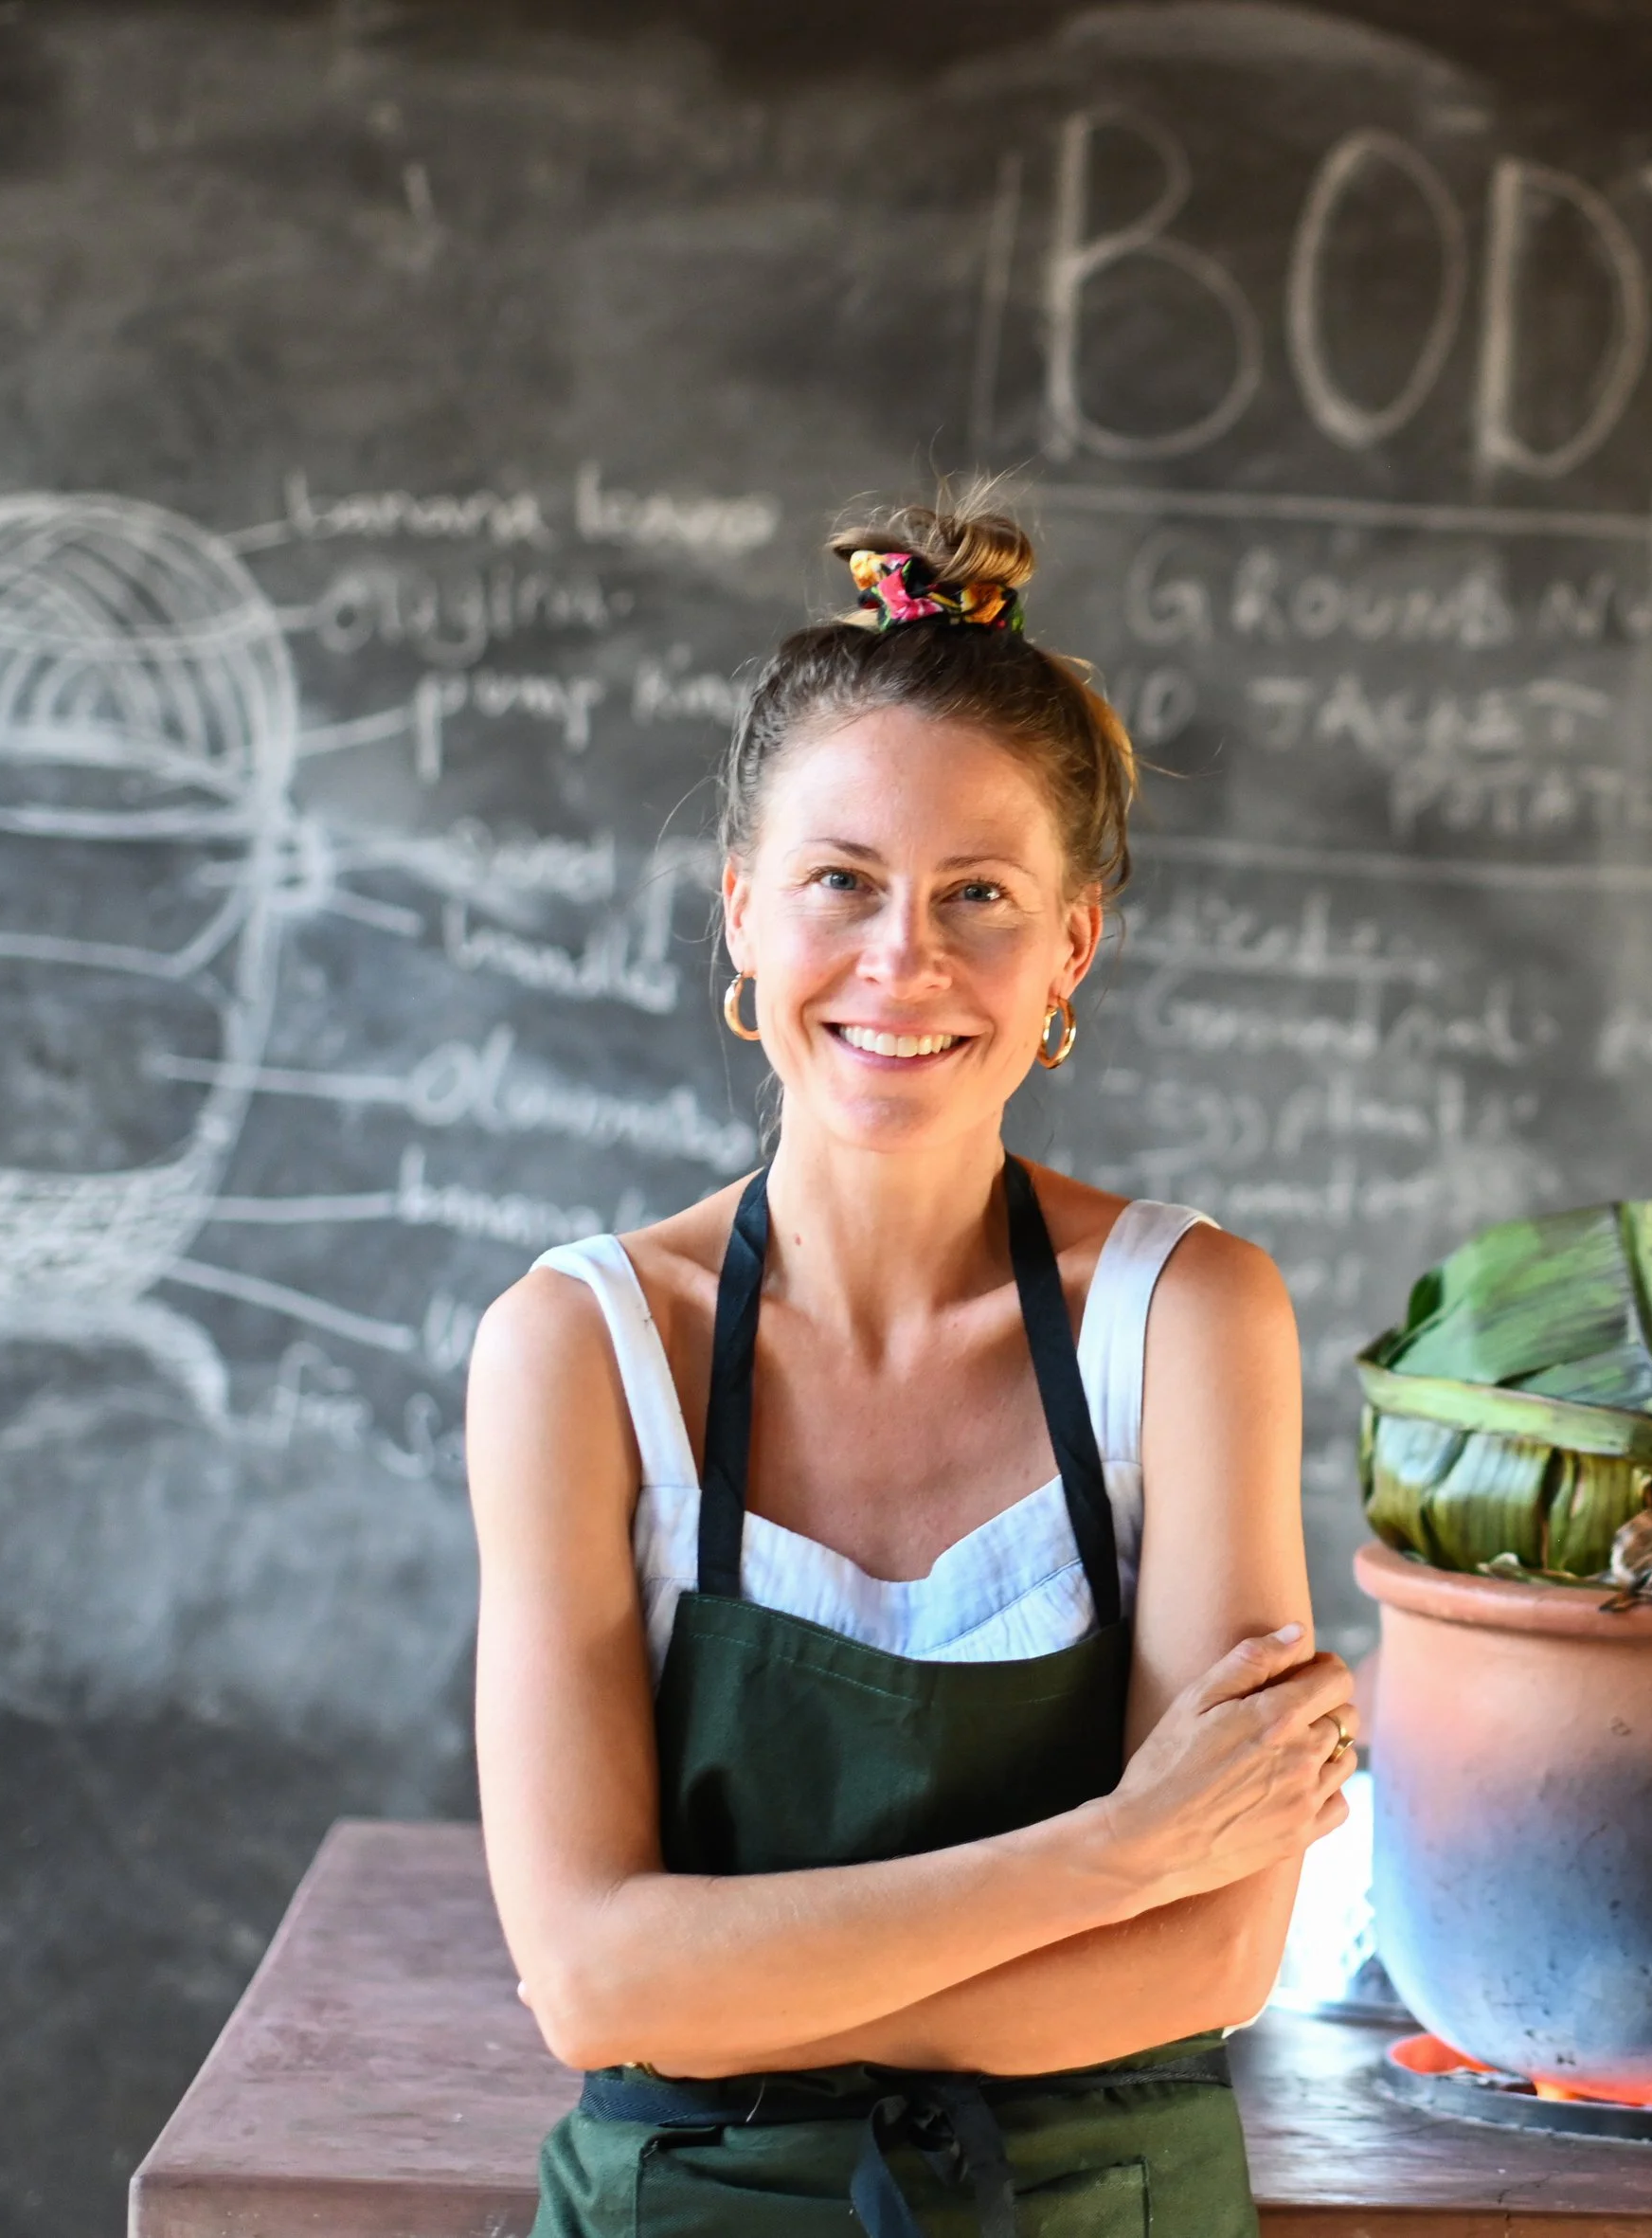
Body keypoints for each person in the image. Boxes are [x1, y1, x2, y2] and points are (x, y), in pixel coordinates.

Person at [467, 496, 1359, 2238]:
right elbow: (586, 1983)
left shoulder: (1189, 1319)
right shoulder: (581, 1349)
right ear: (740, 914)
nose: (904, 961)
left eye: (979, 896)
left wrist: (717, 1985)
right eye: (839, 884)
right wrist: (1110, 1854)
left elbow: (1218, 1954)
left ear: (1070, 949)